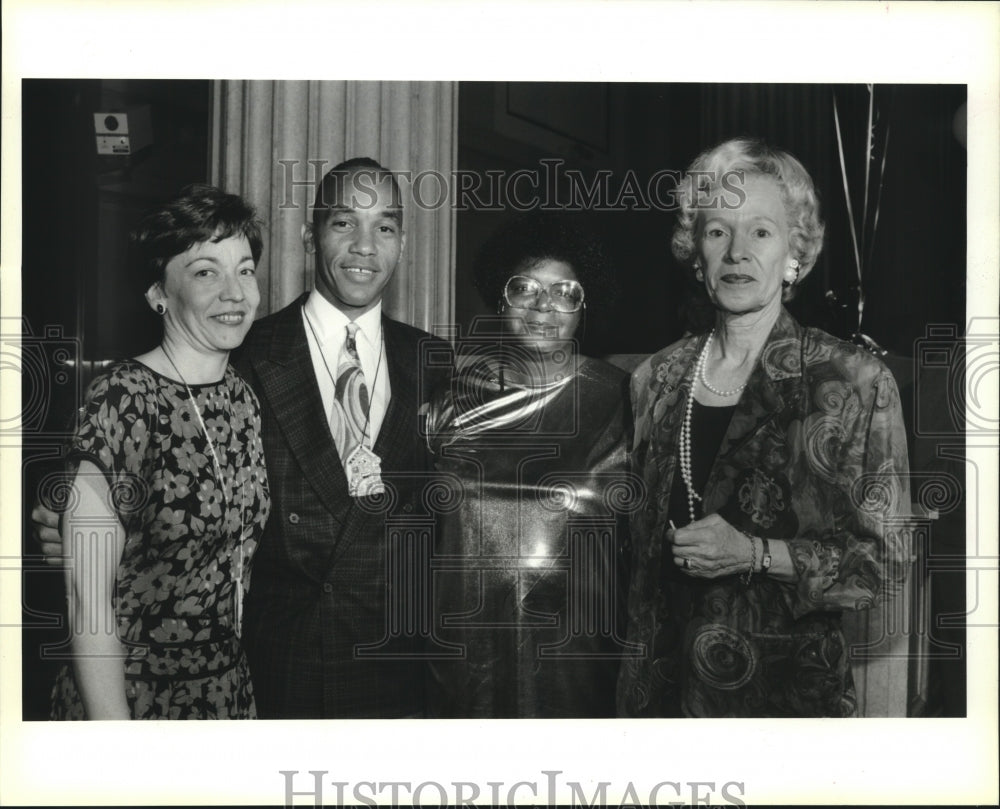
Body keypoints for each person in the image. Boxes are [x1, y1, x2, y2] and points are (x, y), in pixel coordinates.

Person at [37, 158, 449, 718]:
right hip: (272, 674)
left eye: (386, 226)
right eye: (343, 223)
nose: (365, 247)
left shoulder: (439, 367)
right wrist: (66, 528)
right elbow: (101, 564)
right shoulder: (240, 356)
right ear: (309, 236)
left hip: (384, 679)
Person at [616, 138, 911, 717]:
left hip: (782, 701)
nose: (736, 253)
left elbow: (883, 568)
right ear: (696, 253)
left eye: (760, 232)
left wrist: (754, 553)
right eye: (718, 231)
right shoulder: (654, 377)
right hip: (659, 699)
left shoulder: (854, 380)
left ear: (793, 255)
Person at [49, 184, 270, 719]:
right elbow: (88, 604)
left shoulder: (241, 396)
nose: (235, 293)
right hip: (133, 695)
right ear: (158, 294)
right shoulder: (122, 400)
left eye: (243, 269)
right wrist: (121, 748)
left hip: (224, 691)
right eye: (204, 272)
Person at [424, 213, 639, 717]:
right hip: (462, 654)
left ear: (584, 307)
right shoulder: (449, 397)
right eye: (525, 288)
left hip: (577, 660)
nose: (543, 306)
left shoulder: (623, 400)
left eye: (564, 292)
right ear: (502, 298)